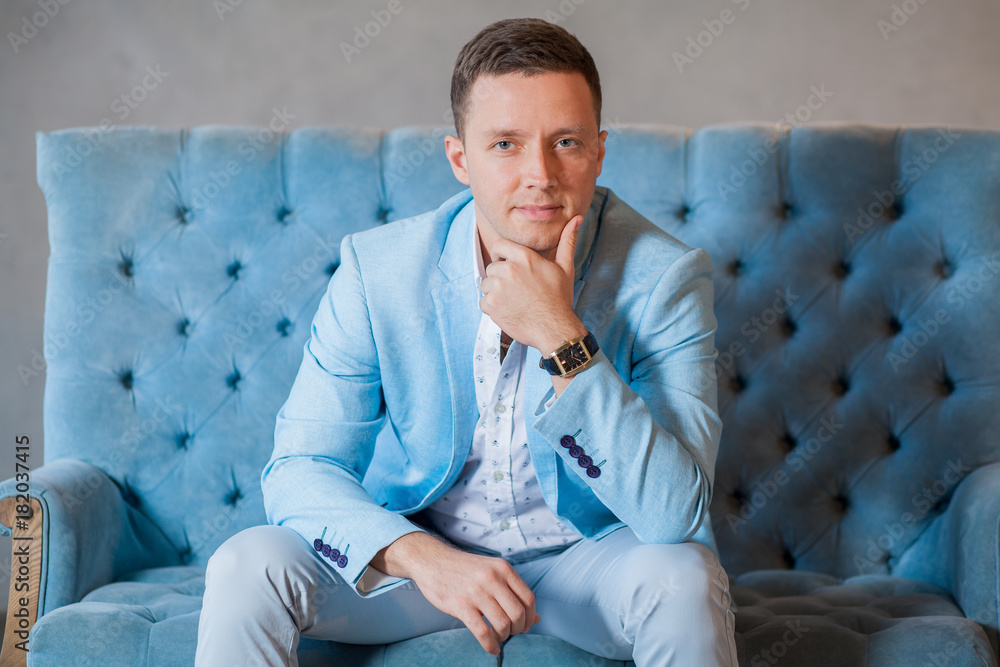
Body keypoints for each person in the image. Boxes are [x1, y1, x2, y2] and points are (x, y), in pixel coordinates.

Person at [196, 17, 738, 667]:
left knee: (684, 578)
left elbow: (674, 514)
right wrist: (422, 556)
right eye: (506, 144)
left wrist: (560, 334)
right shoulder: (379, 272)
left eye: (565, 141)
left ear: (598, 151)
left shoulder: (664, 277)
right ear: (461, 158)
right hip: (423, 572)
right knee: (247, 563)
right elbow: (300, 468)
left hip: (586, 565)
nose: (539, 173)